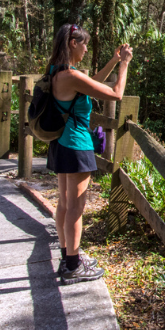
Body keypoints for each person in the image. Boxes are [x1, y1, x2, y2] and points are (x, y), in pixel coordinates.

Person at [46, 23, 133, 284]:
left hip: (62, 143)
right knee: (76, 207)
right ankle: (72, 266)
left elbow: (90, 83)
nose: (85, 49)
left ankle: (68, 256)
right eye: (83, 44)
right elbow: (116, 94)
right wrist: (125, 64)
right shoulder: (70, 76)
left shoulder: (58, 72)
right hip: (76, 144)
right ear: (73, 43)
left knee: (64, 203)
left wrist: (113, 60)